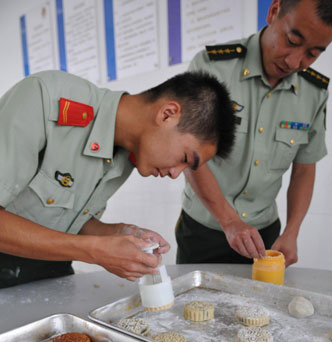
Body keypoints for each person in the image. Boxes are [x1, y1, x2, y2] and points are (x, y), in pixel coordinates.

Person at [0, 69, 235, 288]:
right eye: (184, 157)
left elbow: (63, 218)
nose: (176, 173)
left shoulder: (127, 154)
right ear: (167, 114)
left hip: (46, 275)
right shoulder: (44, 98)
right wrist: (93, 250)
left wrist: (116, 233)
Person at [176, 0, 332, 267]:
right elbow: (190, 154)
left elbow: (305, 167)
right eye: (292, 41)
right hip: (203, 231)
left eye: (313, 54)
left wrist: (292, 232)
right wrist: (230, 221)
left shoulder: (314, 92)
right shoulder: (213, 67)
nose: (295, 61)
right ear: (273, 12)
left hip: (266, 234)